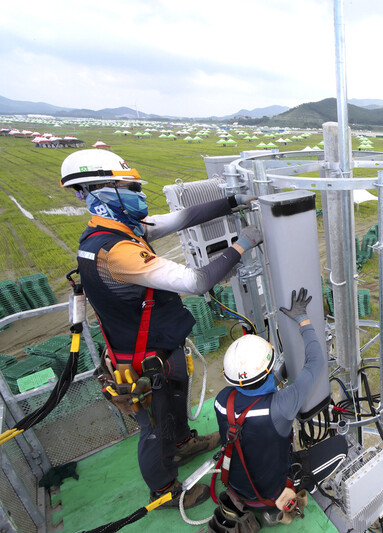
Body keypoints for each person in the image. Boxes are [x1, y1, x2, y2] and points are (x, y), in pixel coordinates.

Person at [61, 148, 263, 508]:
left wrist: (235, 200)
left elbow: (183, 217)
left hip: (160, 347)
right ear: (96, 191)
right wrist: (242, 244)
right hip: (144, 361)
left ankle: (183, 445)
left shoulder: (121, 230)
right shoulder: (115, 252)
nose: (139, 194)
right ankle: (164, 490)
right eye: (129, 186)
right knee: (155, 429)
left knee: (173, 406)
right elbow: (197, 281)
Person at [212, 287, 325, 528]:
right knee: (340, 448)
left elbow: (252, 395)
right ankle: (272, 511)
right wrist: (303, 319)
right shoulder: (282, 406)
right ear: (270, 366)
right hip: (268, 497)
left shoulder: (221, 400)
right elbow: (316, 360)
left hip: (236, 487)